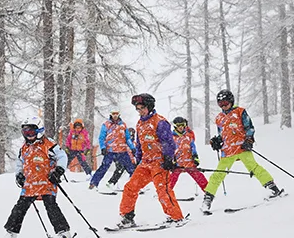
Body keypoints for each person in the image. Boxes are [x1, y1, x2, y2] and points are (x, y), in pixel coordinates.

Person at [201, 89, 285, 214]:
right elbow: (221, 134)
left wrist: (249, 140)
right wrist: (217, 141)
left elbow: (249, 127)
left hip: (241, 147)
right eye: (220, 104)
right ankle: (207, 200)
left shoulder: (240, 112)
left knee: (254, 168)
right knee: (218, 174)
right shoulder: (219, 118)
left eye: (225, 103)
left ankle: (273, 189)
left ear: (231, 101)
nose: (223, 106)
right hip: (227, 151)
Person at [4, 116, 80, 238]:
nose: (29, 136)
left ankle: (64, 234)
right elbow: (19, 163)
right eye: (26, 133)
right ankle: (10, 235)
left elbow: (62, 156)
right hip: (30, 185)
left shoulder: (48, 144)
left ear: (39, 131)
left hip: (47, 183)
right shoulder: (24, 148)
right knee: (19, 209)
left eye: (31, 132)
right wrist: (19, 175)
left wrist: (59, 170)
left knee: (51, 208)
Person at [116, 93, 185, 228]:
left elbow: (169, 142)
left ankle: (176, 217)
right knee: (130, 187)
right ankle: (127, 217)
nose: (140, 111)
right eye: (138, 109)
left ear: (149, 107)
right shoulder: (140, 124)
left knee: (163, 190)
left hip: (159, 163)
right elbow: (139, 144)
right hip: (145, 164)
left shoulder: (160, 122)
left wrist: (168, 158)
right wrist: (138, 159)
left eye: (142, 108)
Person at [89, 109, 136, 191]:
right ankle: (93, 183)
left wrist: (132, 147)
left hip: (122, 151)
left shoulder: (123, 125)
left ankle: (137, 185)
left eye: (116, 114)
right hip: (110, 151)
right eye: (113, 114)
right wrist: (103, 147)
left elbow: (127, 138)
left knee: (131, 168)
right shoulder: (106, 125)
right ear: (111, 114)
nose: (115, 115)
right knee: (104, 167)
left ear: (119, 114)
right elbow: (101, 138)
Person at [170, 117, 208, 193]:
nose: (180, 127)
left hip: (189, 162)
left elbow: (193, 147)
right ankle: (165, 192)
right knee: (172, 178)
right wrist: (171, 161)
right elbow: (169, 150)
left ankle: (208, 191)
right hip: (177, 163)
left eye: (182, 125)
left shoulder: (188, 136)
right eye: (178, 125)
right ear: (175, 126)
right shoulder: (171, 137)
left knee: (198, 176)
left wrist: (195, 158)